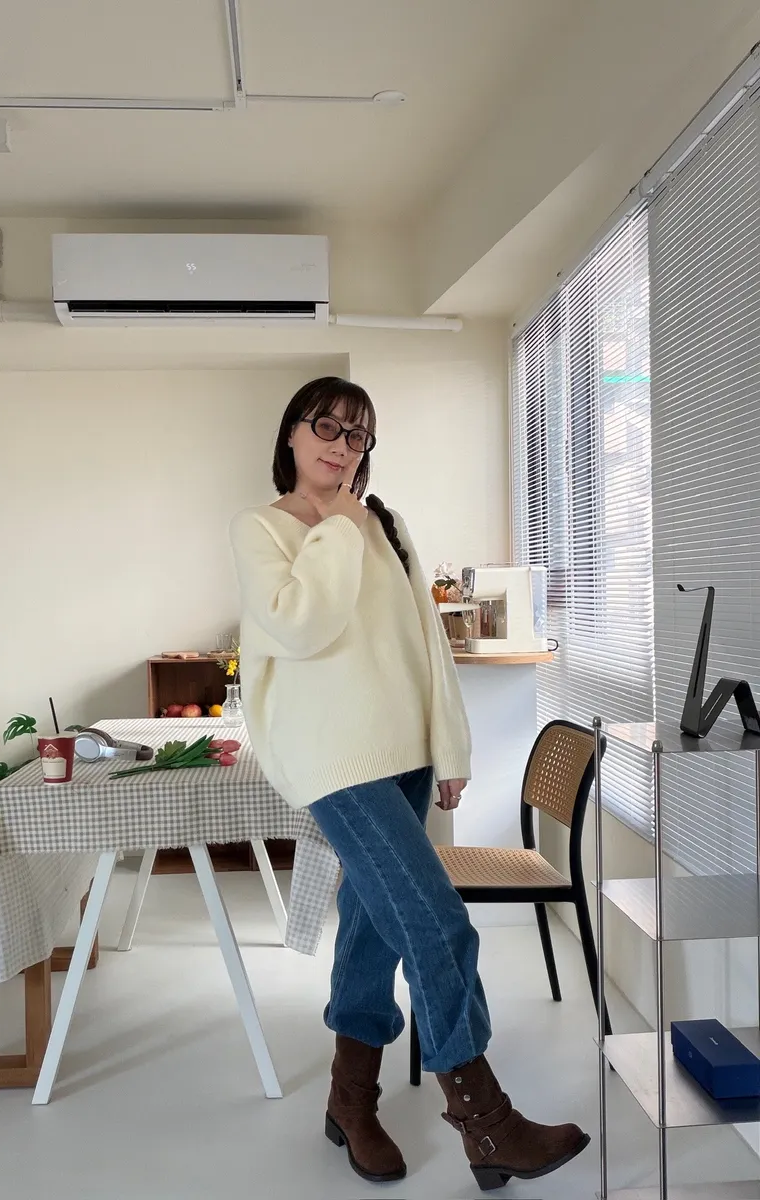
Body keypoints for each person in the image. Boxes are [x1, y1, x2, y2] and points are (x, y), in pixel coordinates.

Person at [229, 377, 589, 1191]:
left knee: (373, 927)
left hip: (406, 756)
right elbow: (300, 625)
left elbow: (424, 641)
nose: (342, 444)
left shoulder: (386, 524)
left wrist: (449, 747)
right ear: (291, 433)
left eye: (357, 434)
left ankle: (349, 1101)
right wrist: (338, 525)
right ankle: (486, 1123)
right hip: (335, 761)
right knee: (436, 921)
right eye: (326, 426)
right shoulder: (262, 528)